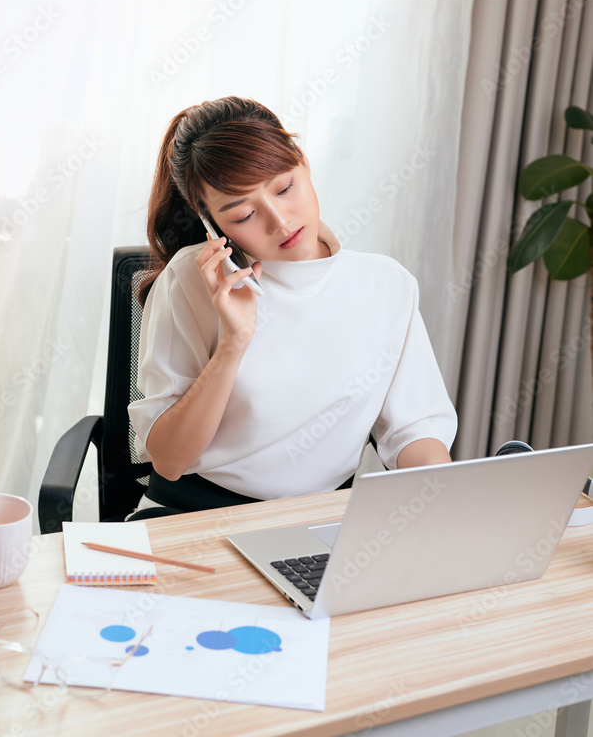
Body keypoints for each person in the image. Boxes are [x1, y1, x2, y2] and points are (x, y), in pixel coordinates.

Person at [127, 96, 457, 517]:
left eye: (285, 188)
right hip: (193, 514)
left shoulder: (386, 284)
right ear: (209, 221)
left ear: (302, 160)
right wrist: (234, 342)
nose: (280, 221)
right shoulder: (191, 280)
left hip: (318, 520)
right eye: (244, 214)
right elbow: (170, 462)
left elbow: (415, 430)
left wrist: (440, 496)